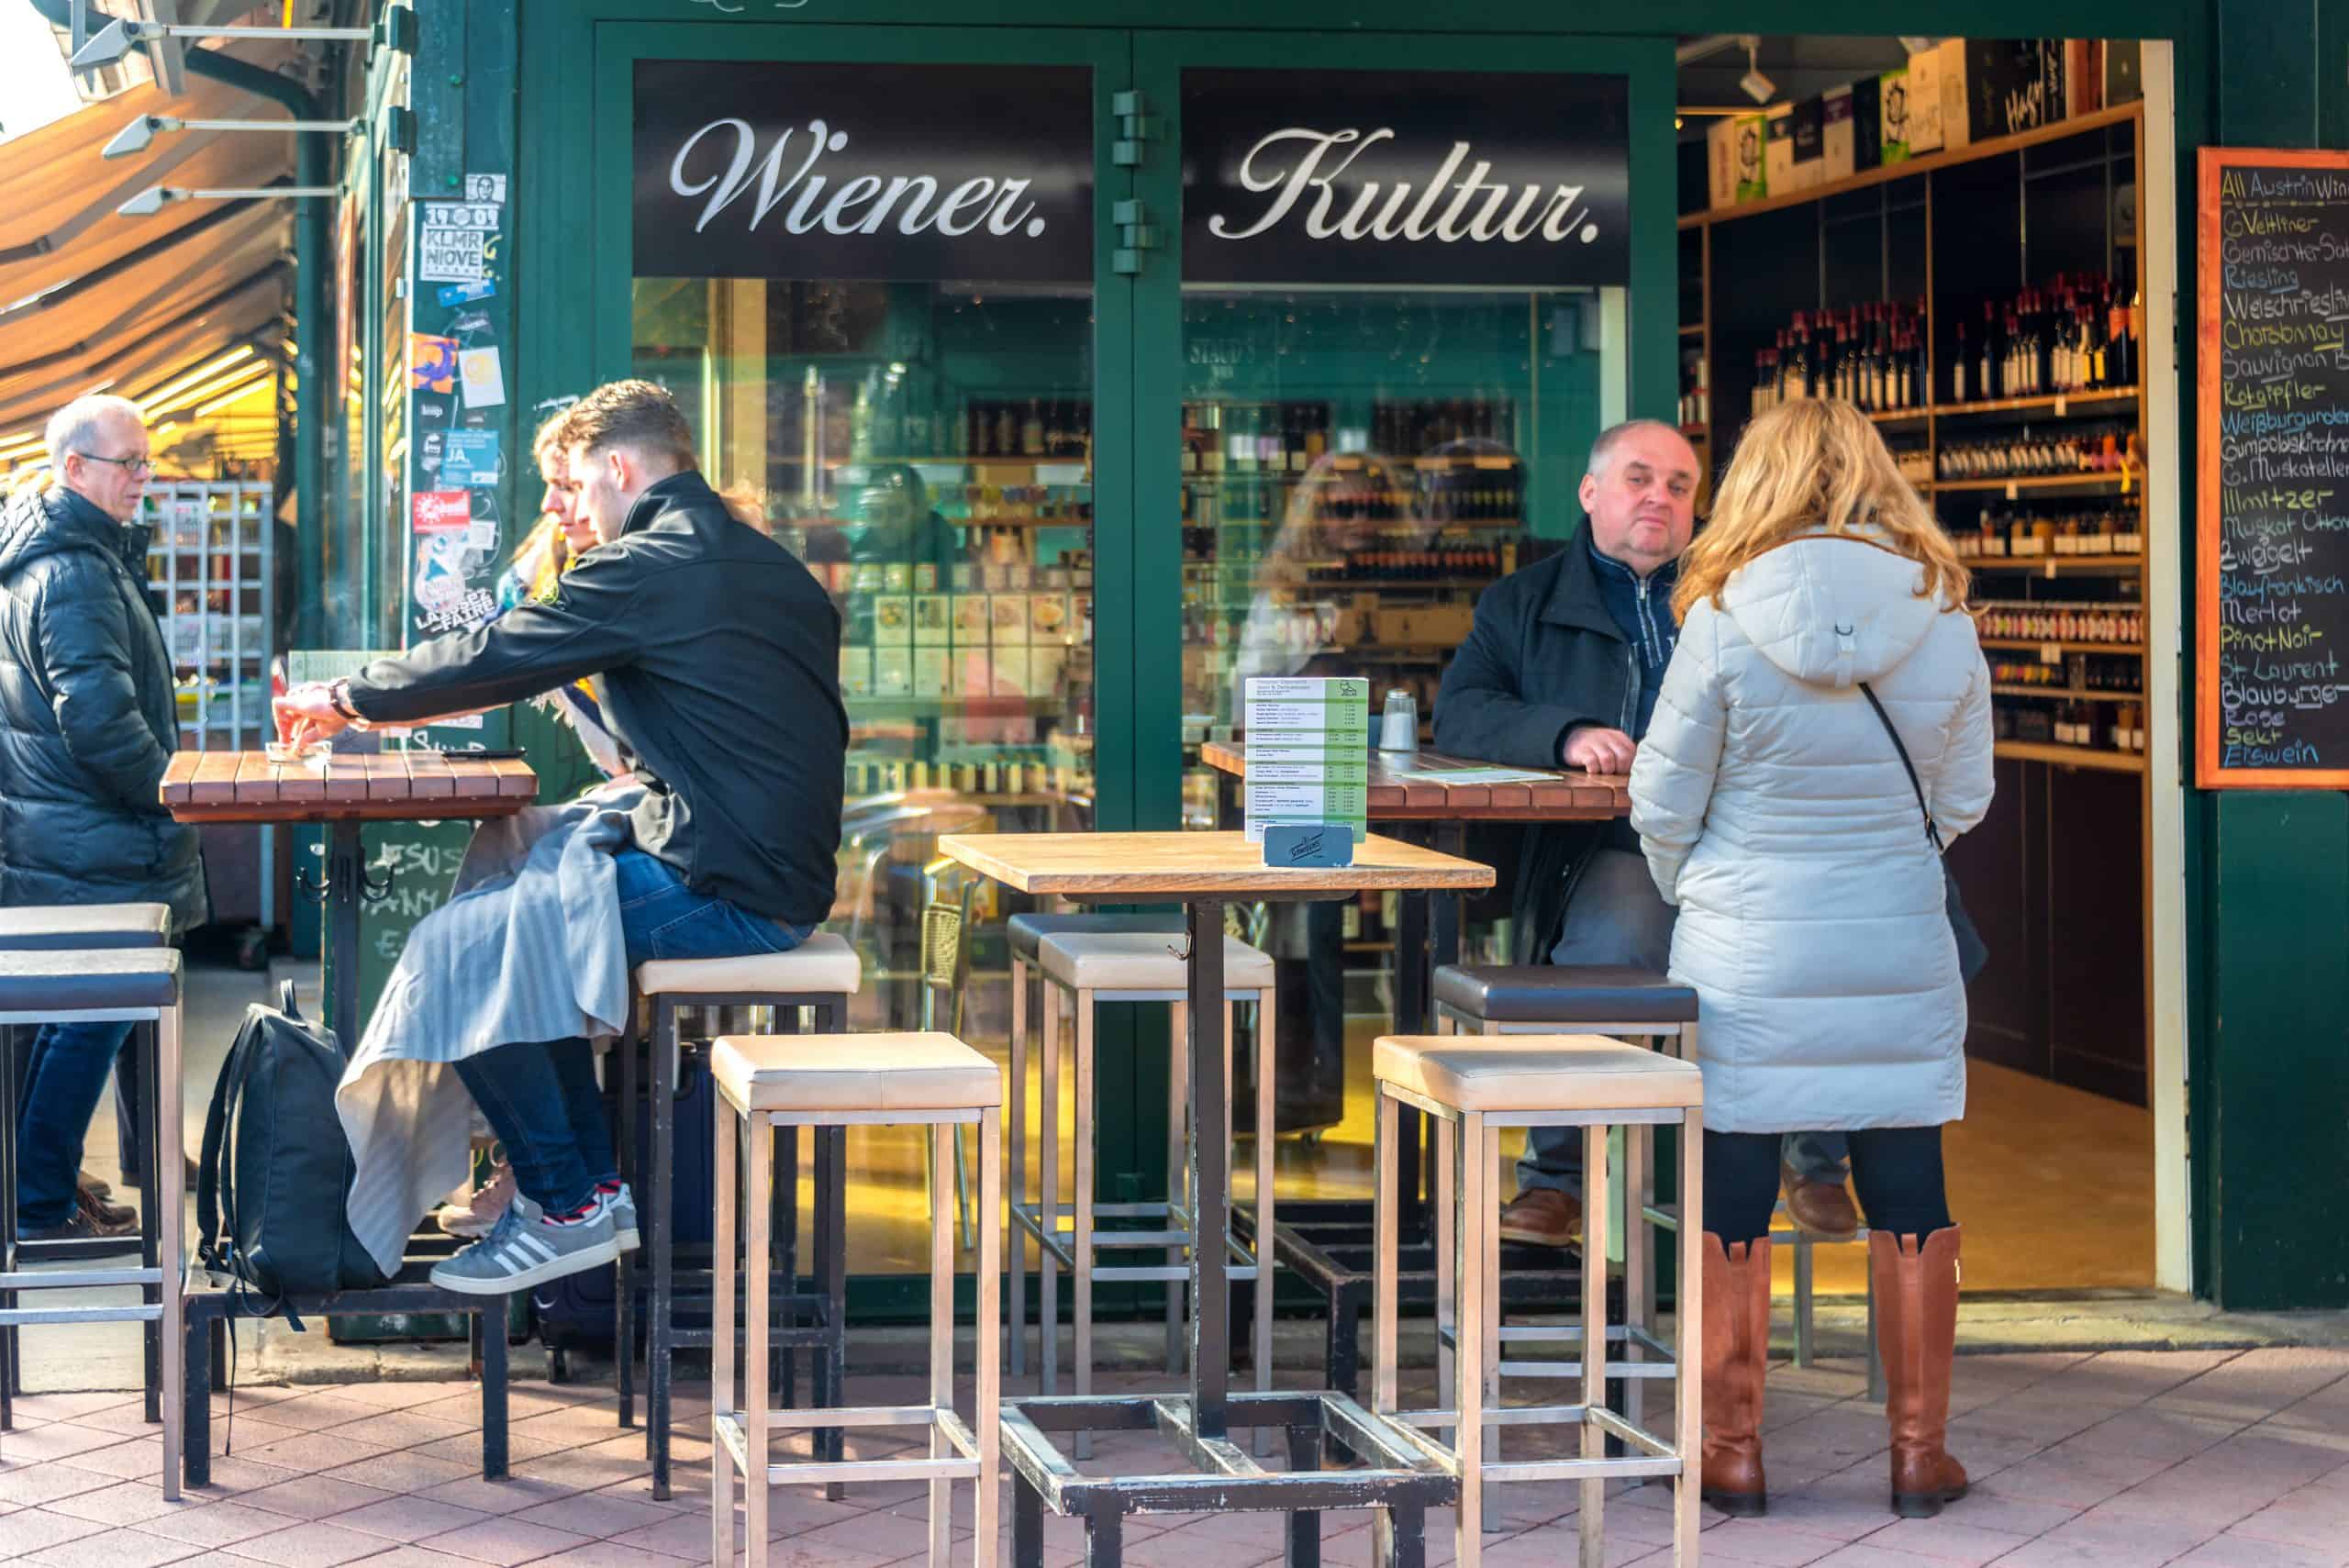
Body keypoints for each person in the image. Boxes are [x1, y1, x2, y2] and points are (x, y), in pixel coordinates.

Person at [277, 379, 848, 1293]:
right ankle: (588, 1190)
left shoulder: (649, 563)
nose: (566, 507)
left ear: (617, 468)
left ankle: (565, 1203)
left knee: (460, 947)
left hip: (730, 893)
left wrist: (348, 697)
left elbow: (501, 651)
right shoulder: (766, 561)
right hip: (771, 870)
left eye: (575, 487)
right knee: (516, 905)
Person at [1630, 398, 1992, 1520]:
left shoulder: (1721, 616)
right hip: (1895, 932)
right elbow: (1966, 797)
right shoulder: (1942, 614)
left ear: (1757, 482)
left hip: (1746, 943)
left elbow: (1660, 798)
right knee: (1906, 1184)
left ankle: (1732, 1453)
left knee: (1733, 1178)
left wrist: (1698, 886)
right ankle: (1916, 1455)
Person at [1433, 418, 1856, 1248]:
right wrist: (1564, 734)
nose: (1658, 498)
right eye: (1637, 478)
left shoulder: (1746, 595)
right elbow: (1463, 709)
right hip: (1613, 846)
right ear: (1590, 493)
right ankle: (1557, 1178)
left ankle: (1814, 1161)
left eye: (1678, 485)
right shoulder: (1524, 603)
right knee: (1619, 930)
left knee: (1812, 926)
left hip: (1737, 845)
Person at [0, 395, 207, 1240]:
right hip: (92, 833)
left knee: (77, 1017)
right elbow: (97, 720)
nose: (143, 478)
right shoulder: (76, 569)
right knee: (90, 1018)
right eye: (129, 463)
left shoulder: (68, 555)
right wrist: (170, 791)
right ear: (75, 469)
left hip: (64, 830)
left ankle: (60, 1182)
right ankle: (41, 1203)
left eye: (147, 462)